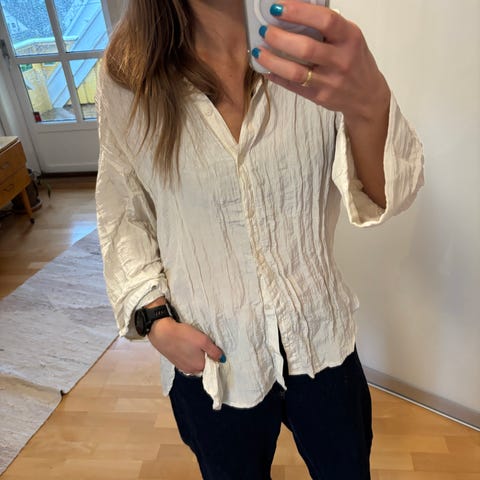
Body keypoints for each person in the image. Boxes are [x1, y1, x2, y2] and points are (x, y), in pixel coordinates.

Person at [95, 1, 424, 479]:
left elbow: (386, 193)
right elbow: (123, 211)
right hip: (209, 357)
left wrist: (370, 102)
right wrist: (155, 319)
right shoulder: (128, 74)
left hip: (319, 338)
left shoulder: (313, 51)